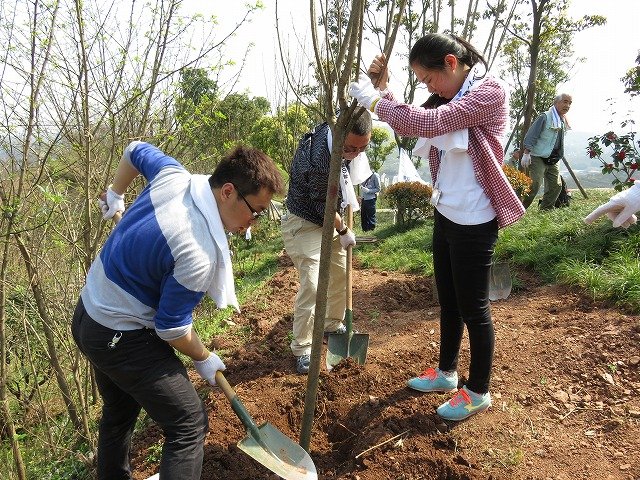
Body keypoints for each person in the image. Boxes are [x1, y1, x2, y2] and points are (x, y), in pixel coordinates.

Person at [72, 141, 283, 480]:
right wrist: (203, 357)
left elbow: (134, 149)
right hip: (117, 335)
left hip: (86, 316)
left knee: (119, 409)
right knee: (188, 422)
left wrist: (115, 193)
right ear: (228, 191)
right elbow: (171, 328)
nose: (254, 222)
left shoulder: (174, 175)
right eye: (255, 211)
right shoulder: (198, 251)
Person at [349, 33, 525, 421]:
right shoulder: (453, 95)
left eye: (428, 79)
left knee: (474, 307)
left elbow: (426, 122)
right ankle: (447, 372)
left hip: (476, 217)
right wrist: (383, 89)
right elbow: (416, 114)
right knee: (448, 299)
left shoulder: (487, 92)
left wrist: (374, 99)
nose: (427, 87)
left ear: (450, 63)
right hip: (447, 209)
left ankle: (477, 390)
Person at [282, 109, 372, 374]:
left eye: (361, 148)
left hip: (331, 216)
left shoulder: (343, 136)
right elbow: (324, 206)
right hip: (305, 221)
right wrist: (344, 230)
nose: (355, 154)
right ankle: (302, 348)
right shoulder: (320, 160)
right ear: (337, 134)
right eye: (350, 148)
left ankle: (331, 324)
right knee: (312, 283)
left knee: (341, 272)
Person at [520, 93, 573, 209]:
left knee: (556, 185)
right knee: (534, 185)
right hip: (538, 156)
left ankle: (546, 210)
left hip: (554, 157)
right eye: (565, 101)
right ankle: (519, 210)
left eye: (570, 103)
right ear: (556, 102)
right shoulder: (545, 117)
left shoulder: (562, 120)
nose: (568, 105)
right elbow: (531, 135)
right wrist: (526, 153)